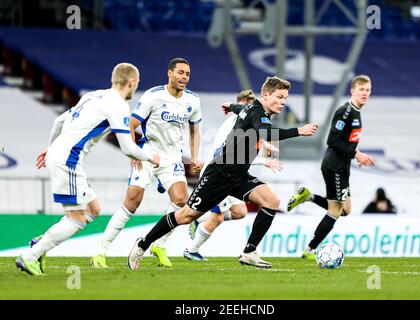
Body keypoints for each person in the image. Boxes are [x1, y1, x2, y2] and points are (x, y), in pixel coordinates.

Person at [128, 76, 319, 270]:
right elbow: (267, 133)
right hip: (219, 174)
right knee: (185, 216)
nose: (283, 102)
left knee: (271, 201)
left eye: (285, 98)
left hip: (238, 175)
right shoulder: (259, 113)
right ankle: (143, 244)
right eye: (279, 97)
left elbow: (240, 109)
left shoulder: (250, 107)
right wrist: (299, 130)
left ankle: (249, 252)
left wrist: (231, 106)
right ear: (266, 95)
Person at [16, 63, 160, 276]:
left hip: (62, 155)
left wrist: (51, 148)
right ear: (131, 82)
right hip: (69, 160)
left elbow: (59, 121)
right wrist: (151, 156)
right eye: (136, 84)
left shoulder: (93, 96)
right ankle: (30, 256)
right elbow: (128, 147)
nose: (135, 88)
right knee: (76, 218)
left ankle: (41, 242)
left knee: (93, 209)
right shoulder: (118, 105)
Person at [90, 58, 202, 268]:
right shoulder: (154, 96)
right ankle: (101, 251)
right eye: (180, 73)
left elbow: (195, 130)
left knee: (181, 202)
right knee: (132, 202)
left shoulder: (193, 101)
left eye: (187, 74)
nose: (184, 77)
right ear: (169, 73)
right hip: (148, 153)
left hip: (172, 158)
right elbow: (131, 124)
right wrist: (134, 154)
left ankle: (159, 244)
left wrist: (195, 156)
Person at [183, 90, 284, 261]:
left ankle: (198, 222)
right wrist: (264, 158)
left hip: (234, 174)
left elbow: (245, 149)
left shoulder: (249, 122)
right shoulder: (233, 123)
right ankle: (192, 246)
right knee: (217, 217)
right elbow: (224, 151)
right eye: (250, 103)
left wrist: (265, 149)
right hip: (219, 173)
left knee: (240, 211)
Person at [287, 74, 375, 259]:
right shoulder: (345, 111)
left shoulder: (356, 112)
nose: (365, 93)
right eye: (361, 90)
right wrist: (356, 154)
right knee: (335, 209)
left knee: (346, 210)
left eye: (367, 90)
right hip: (334, 164)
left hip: (344, 166)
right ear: (352, 91)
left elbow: (348, 141)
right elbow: (332, 140)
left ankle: (308, 196)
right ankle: (309, 250)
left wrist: (355, 153)